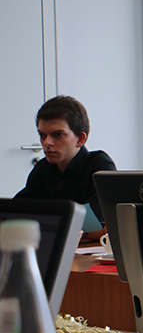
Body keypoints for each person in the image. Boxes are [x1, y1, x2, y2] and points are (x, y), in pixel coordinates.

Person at [15, 96, 117, 239]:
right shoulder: (43, 167)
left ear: (80, 139)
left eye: (58, 135)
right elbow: (17, 213)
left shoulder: (100, 166)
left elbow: (96, 227)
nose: (47, 142)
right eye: (42, 135)